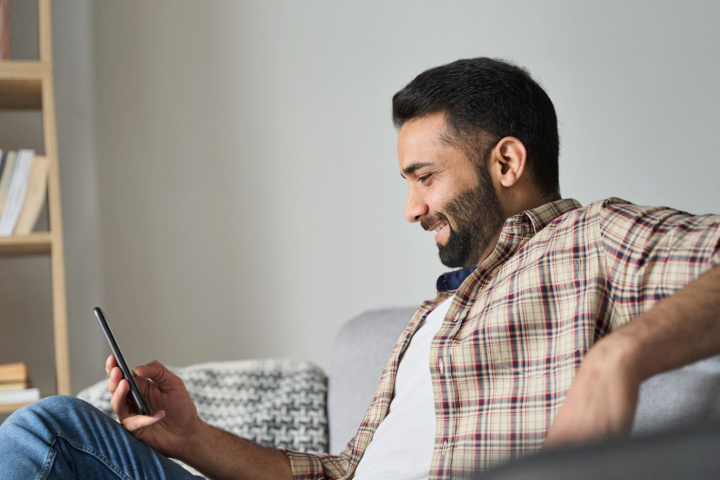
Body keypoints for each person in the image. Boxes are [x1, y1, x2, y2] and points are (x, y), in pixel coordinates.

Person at [1, 57, 720, 480]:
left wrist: (618, 359)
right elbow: (342, 472)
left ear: (506, 161)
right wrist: (190, 437)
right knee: (57, 430)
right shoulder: (434, 319)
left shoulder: (590, 239)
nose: (411, 209)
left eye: (425, 177)